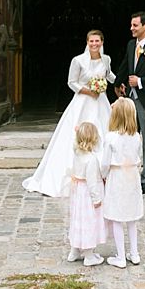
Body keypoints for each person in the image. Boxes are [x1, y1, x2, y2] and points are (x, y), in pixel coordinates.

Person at [24, 30, 115, 197]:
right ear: (87, 42)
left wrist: (118, 81)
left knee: (104, 131)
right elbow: (71, 82)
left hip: (101, 102)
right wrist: (89, 91)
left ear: (102, 42)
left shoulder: (106, 59)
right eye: (91, 41)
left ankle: (103, 174)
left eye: (97, 41)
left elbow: (109, 75)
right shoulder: (78, 61)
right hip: (83, 102)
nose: (94, 44)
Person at [107, 12, 145, 194]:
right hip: (130, 100)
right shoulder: (130, 45)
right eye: (131, 25)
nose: (131, 28)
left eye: (135, 25)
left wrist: (141, 82)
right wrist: (119, 83)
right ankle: (128, 172)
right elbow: (126, 65)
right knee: (126, 136)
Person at [101, 98, 145, 268]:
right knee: (132, 218)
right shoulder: (136, 137)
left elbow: (105, 163)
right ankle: (134, 253)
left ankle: (120, 256)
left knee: (117, 218)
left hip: (117, 177)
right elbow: (138, 157)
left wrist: (103, 175)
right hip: (132, 176)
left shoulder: (110, 138)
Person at [65, 121, 106, 266]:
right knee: (89, 222)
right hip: (88, 196)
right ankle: (89, 255)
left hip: (78, 193)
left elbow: (73, 145)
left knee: (78, 220)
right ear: (94, 140)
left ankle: (74, 251)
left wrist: (77, 132)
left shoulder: (77, 153)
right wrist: (97, 199)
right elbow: (92, 183)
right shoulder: (91, 159)